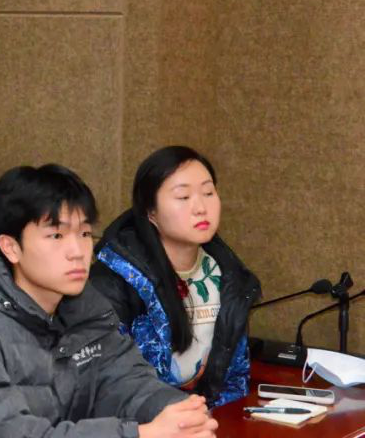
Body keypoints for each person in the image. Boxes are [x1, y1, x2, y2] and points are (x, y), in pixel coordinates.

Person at [0, 164, 219, 438]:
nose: (77, 251)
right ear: (11, 247)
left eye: (84, 234)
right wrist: (139, 434)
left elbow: (128, 383)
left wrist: (182, 415)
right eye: (56, 236)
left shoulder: (85, 310)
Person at [90, 146, 260, 407]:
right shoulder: (115, 280)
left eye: (208, 192)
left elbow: (234, 379)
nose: (200, 207)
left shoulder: (229, 275)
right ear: (151, 212)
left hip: (211, 418)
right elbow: (105, 382)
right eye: (183, 196)